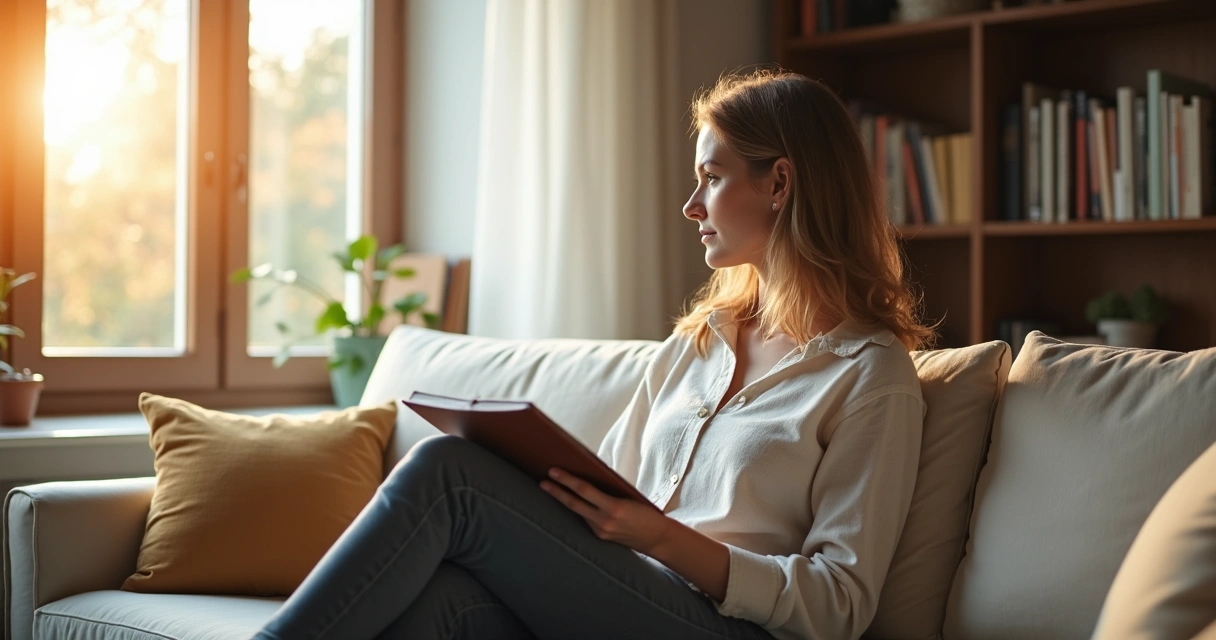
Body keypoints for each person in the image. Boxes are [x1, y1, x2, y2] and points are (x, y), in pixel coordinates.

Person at [253, 68, 935, 640]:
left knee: (448, 473)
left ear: (779, 184)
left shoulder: (870, 376)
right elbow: (613, 488)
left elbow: (841, 603)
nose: (692, 205)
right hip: (625, 594)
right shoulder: (700, 342)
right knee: (442, 604)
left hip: (726, 626)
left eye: (712, 177)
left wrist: (664, 541)